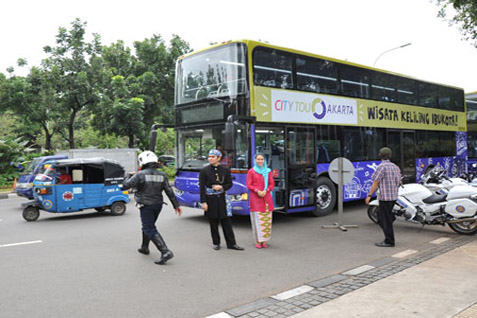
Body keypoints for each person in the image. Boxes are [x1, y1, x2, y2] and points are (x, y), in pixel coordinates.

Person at [122, 150, 182, 265]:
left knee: (149, 228)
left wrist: (128, 175)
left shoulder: (140, 175)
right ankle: (144, 247)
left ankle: (165, 251)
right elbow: (169, 191)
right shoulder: (162, 175)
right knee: (148, 226)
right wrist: (176, 205)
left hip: (146, 205)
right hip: (158, 205)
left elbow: (125, 186)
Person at [199, 149, 244, 251]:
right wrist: (203, 202)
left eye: (213, 157)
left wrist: (221, 188)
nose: (210, 158)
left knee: (226, 222)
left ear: (219, 158)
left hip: (223, 198)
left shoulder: (225, 170)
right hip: (210, 199)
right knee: (213, 222)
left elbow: (229, 184)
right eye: (209, 157)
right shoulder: (204, 171)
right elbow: (201, 188)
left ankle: (232, 243)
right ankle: (216, 242)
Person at [365, 147, 401, 247]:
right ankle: (390, 221)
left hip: (385, 198)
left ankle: (389, 241)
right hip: (393, 197)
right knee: (383, 218)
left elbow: (376, 182)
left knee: (384, 219)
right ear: (390, 156)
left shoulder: (381, 167)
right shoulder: (395, 167)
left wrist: (369, 195)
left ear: (380, 156)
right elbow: (399, 182)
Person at [246, 154, 275, 248]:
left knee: (267, 221)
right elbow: (249, 185)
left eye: (262, 159)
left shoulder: (268, 171)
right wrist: (257, 191)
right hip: (256, 198)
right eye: (258, 159)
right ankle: (258, 241)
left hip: (267, 198)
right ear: (255, 160)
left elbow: (271, 184)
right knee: (257, 220)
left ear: (264, 160)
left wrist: (266, 190)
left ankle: (264, 240)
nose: (260, 161)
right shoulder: (251, 171)